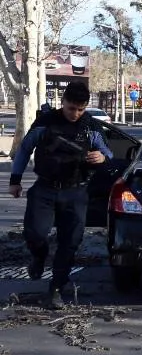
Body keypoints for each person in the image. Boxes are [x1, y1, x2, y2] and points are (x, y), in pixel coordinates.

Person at [8, 81, 113, 309]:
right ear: (62, 102)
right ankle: (38, 256)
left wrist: (102, 158)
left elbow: (108, 154)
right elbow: (25, 149)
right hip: (44, 189)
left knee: (70, 243)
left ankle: (55, 289)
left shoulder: (91, 127)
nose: (75, 114)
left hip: (76, 191)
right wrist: (15, 180)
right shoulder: (45, 123)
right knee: (35, 233)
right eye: (70, 108)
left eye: (80, 109)